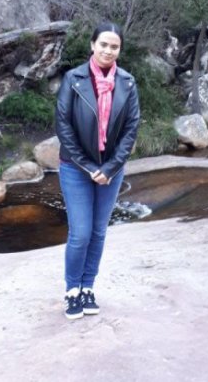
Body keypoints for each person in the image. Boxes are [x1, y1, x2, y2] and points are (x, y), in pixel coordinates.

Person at [55, 22, 141, 320]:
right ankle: (72, 290)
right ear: (93, 45)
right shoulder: (73, 79)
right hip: (76, 168)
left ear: (120, 50)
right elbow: (63, 126)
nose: (108, 50)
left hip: (111, 170)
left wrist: (111, 167)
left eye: (114, 46)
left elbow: (131, 128)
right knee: (80, 233)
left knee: (98, 232)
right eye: (103, 44)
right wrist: (90, 166)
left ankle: (88, 287)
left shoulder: (127, 83)